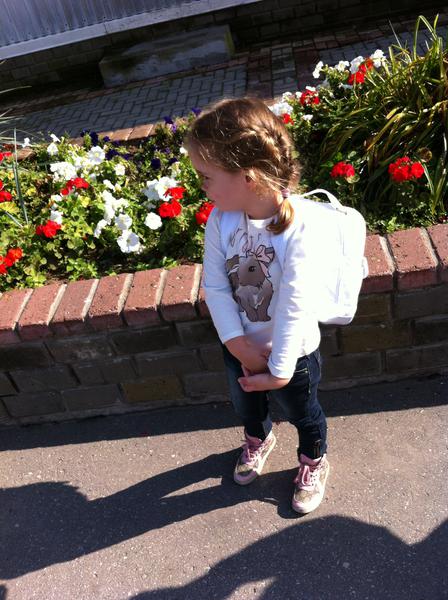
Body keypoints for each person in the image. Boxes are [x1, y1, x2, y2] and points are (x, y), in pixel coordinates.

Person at [184, 96, 329, 514]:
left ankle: (313, 459)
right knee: (246, 405)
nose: (202, 186)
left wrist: (280, 368)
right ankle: (258, 437)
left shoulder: (297, 227)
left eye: (206, 177)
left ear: (246, 177)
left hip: (294, 354)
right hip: (240, 348)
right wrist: (237, 344)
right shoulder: (221, 219)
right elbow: (215, 285)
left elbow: (295, 302)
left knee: (304, 413)